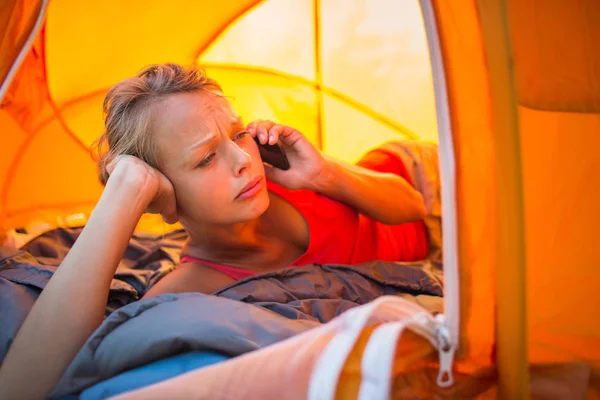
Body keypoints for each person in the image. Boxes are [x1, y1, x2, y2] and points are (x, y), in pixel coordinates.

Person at [0, 63, 428, 399]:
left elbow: (413, 205)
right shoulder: (188, 287)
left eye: (239, 132)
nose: (243, 158)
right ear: (159, 191)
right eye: (205, 158)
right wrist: (123, 192)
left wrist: (324, 174)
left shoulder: (284, 172)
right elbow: (20, 388)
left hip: (413, 168)